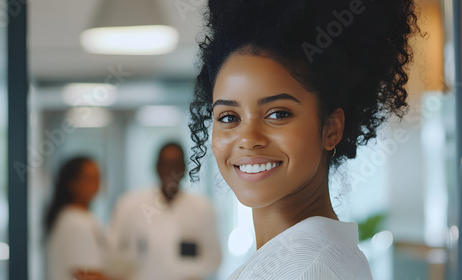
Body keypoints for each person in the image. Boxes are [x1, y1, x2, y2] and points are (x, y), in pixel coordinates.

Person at [188, 0, 422, 279]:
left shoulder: (306, 268)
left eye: (278, 114)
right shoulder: (309, 258)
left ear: (331, 128)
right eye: (228, 117)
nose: (248, 139)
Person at [110, 142, 222, 280]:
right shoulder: (129, 204)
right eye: (165, 164)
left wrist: (190, 271)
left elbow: (215, 259)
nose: (171, 171)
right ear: (157, 167)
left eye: (176, 165)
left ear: (184, 168)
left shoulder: (202, 207)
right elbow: (112, 253)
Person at [45, 156, 111, 280]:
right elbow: (85, 274)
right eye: (89, 179)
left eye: (97, 178)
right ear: (72, 183)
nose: (96, 184)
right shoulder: (75, 221)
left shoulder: (81, 216)